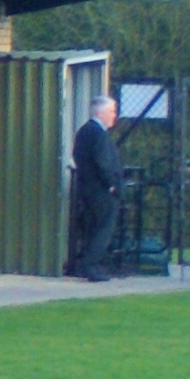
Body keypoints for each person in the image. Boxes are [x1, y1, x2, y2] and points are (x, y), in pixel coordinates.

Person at [66, 95, 124, 281]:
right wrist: (112, 185)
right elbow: (103, 162)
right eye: (112, 111)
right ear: (101, 113)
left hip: (87, 188)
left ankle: (85, 264)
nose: (114, 115)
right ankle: (89, 265)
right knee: (103, 228)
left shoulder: (84, 131)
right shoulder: (99, 134)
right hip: (101, 191)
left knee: (92, 227)